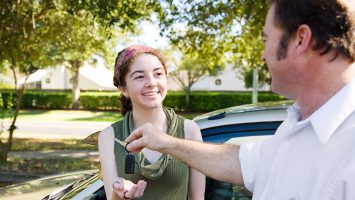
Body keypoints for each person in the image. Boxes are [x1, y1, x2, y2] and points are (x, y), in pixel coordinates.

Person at [125, 0, 355, 199]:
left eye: (266, 40)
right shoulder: (297, 125)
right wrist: (167, 143)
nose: (263, 56)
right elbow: (245, 163)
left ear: (300, 39)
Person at [98, 45, 205, 200]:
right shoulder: (109, 136)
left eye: (158, 74)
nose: (151, 82)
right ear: (123, 89)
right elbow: (111, 196)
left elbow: (197, 197)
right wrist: (120, 194)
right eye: (140, 76)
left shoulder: (189, 130)